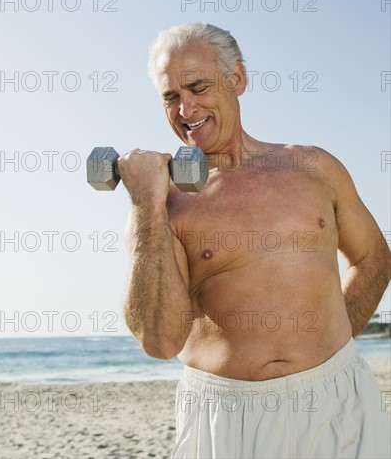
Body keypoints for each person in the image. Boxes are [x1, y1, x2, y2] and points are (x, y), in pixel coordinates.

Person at [118, 23, 390, 458]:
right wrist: (146, 205)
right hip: (227, 416)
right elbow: (159, 340)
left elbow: (373, 257)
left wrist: (334, 339)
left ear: (237, 79)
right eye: (170, 97)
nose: (186, 108)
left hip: (338, 397)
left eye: (198, 86)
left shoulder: (314, 167)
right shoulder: (160, 206)